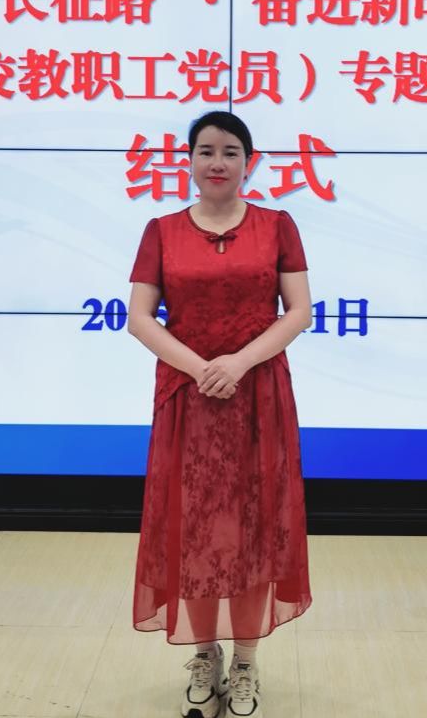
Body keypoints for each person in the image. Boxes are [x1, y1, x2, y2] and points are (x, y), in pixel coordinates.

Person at [126, 110, 314, 718]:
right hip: (189, 399)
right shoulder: (160, 231)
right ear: (189, 160)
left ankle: (246, 662)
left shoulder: (277, 225)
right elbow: (139, 319)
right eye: (205, 151)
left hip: (258, 395)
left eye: (230, 152)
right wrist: (201, 368)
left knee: (254, 528)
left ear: (248, 163)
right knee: (196, 530)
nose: (217, 162)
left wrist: (238, 363)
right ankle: (204, 654)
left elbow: (299, 311)